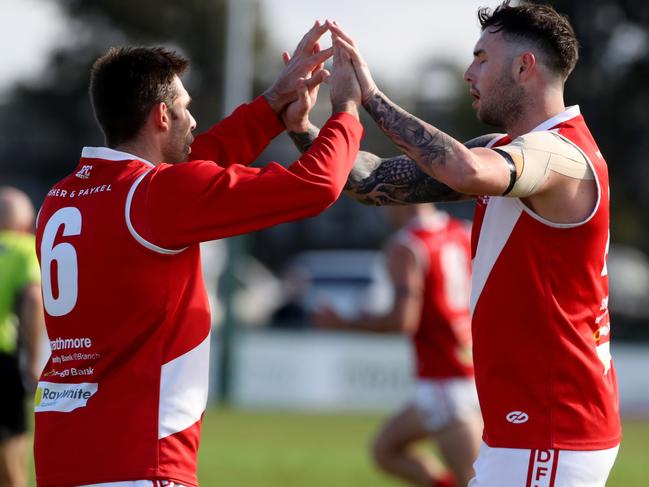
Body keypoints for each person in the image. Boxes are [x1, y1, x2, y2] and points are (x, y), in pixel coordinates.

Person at [292, 3, 622, 485]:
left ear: (524, 67)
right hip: (527, 429)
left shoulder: (560, 154)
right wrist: (303, 128)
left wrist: (371, 96)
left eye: (482, 58)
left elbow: (464, 170)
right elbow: (371, 182)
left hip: (552, 430)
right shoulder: (505, 150)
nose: (469, 72)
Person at [34, 21, 363, 487]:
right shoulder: (156, 195)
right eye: (185, 109)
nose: (194, 121)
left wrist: (270, 107)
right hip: (140, 460)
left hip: (62, 457)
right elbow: (315, 185)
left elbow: (194, 167)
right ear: (161, 117)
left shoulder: (62, 197)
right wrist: (347, 111)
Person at [314, 203, 481, 487]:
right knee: (385, 451)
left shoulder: (407, 246)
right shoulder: (463, 231)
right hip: (470, 366)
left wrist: (343, 323)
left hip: (445, 376)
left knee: (474, 479)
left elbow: (403, 321)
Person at [0, 186, 45, 487]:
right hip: (3, 359)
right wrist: (33, 358)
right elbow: (32, 298)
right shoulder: (23, 248)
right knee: (10, 456)